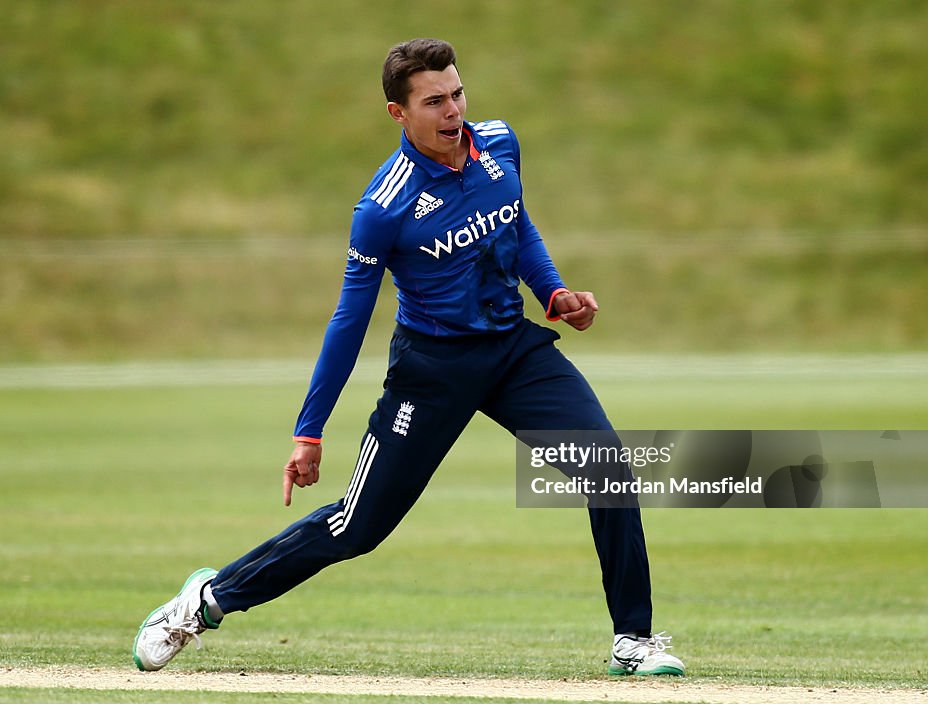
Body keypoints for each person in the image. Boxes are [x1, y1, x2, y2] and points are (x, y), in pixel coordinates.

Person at [133, 38, 684, 678]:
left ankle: (634, 641)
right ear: (399, 113)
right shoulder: (383, 209)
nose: (453, 110)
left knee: (608, 469)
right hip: (433, 370)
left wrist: (554, 292)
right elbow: (349, 319)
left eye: (457, 93)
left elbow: (518, 227)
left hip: (512, 351)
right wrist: (309, 430)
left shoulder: (500, 144)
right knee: (355, 529)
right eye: (434, 101)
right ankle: (203, 603)